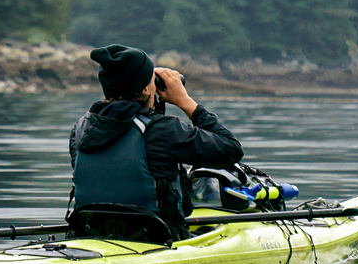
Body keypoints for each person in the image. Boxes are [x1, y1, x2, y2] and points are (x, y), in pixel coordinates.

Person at [67, 44, 243, 243]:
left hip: (91, 234)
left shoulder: (81, 129)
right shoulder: (161, 130)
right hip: (156, 238)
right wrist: (186, 101)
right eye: (153, 80)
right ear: (145, 88)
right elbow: (230, 149)